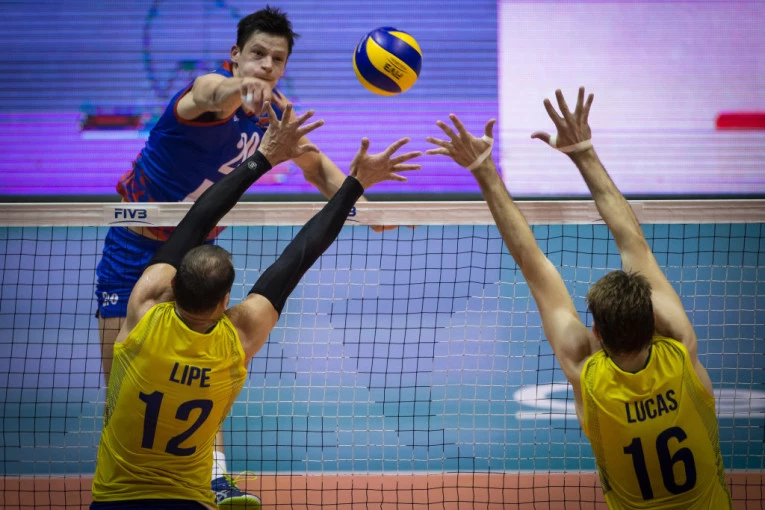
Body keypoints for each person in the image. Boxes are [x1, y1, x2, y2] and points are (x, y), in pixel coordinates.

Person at [94, 6, 394, 499]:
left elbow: (316, 167)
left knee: (200, 369)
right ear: (235, 54)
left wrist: (365, 209)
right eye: (258, 54)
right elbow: (211, 92)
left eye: (278, 58)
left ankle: (214, 477)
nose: (267, 65)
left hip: (196, 252)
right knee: (125, 386)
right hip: (133, 246)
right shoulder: (208, 93)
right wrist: (241, 87)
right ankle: (125, 484)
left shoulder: (277, 117)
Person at [426, 88, 731, 509]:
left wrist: (484, 171)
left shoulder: (586, 376)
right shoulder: (681, 349)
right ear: (653, 321)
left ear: (596, 333)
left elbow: (533, 266)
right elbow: (633, 242)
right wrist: (583, 152)